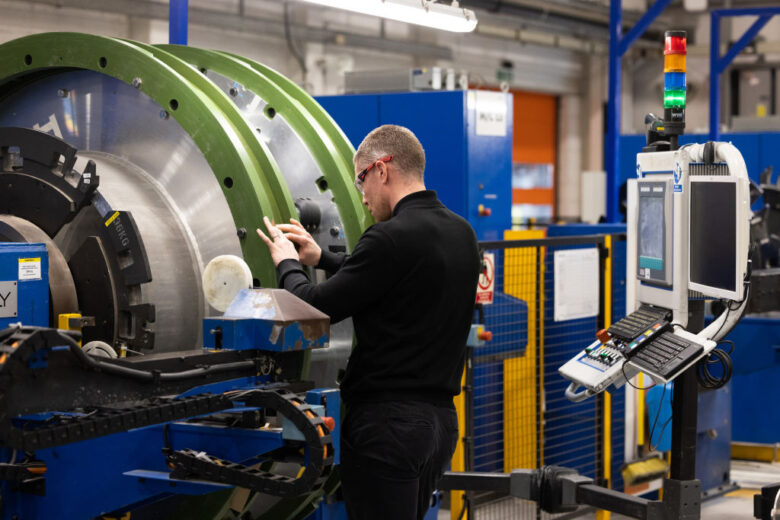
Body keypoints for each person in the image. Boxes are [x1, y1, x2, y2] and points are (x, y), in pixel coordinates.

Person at [257, 124, 480, 520]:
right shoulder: (462, 233)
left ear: (382, 169)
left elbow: (313, 308)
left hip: (387, 427)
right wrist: (322, 259)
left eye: (361, 180)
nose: (362, 195)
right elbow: (394, 275)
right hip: (439, 427)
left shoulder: (387, 237)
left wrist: (286, 262)